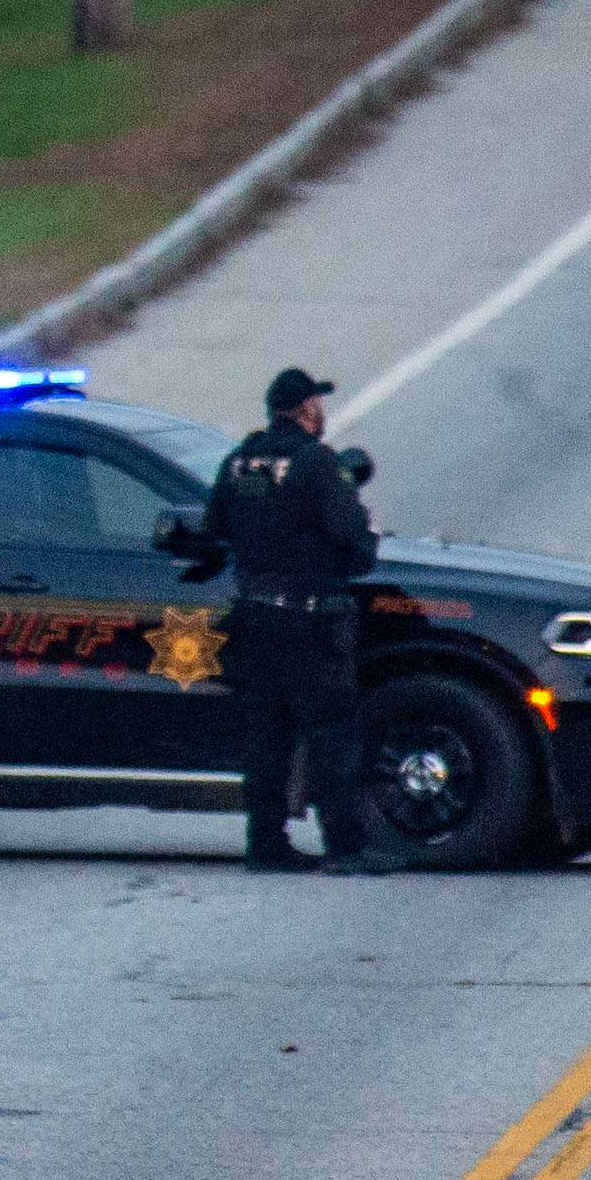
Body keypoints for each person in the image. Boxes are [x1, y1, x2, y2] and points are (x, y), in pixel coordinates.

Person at [206, 366, 389, 875]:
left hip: (253, 615)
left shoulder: (240, 462)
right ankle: (346, 847)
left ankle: (265, 843)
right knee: (330, 731)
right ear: (306, 409)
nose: (321, 412)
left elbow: (214, 525)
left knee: (267, 736)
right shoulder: (316, 463)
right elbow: (349, 532)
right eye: (317, 404)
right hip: (308, 620)